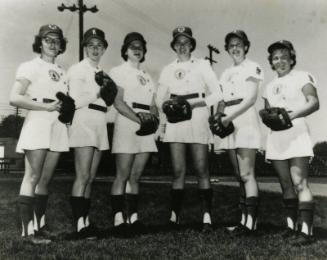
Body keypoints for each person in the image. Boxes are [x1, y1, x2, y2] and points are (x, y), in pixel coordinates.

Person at [156, 26, 222, 231]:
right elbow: (159, 98)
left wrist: (195, 104)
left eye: (186, 42)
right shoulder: (167, 69)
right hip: (176, 119)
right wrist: (166, 111)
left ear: (192, 45)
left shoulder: (202, 65)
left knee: (202, 168)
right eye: (178, 43)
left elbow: (217, 94)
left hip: (198, 115)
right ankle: (174, 217)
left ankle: (207, 218)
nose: (182, 46)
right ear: (174, 46)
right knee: (178, 171)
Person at [9, 24, 69, 244]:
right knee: (32, 176)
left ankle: (40, 227)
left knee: (45, 179)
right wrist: (46, 108)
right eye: (48, 39)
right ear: (40, 42)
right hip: (39, 119)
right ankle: (27, 232)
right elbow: (14, 97)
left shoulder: (63, 71)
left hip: (58, 123)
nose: (53, 44)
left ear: (62, 45)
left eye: (57, 40)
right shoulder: (30, 66)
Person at [262, 40, 319, 245]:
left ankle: (306, 231)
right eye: (275, 58)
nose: (280, 61)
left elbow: (314, 102)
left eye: (284, 56)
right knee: (285, 184)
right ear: (271, 61)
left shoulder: (302, 76)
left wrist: (291, 115)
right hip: (277, 136)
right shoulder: (268, 87)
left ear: (291, 58)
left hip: (296, 132)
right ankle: (290, 226)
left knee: (299, 182)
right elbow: (268, 112)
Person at [215, 30, 264, 235]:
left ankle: (250, 223)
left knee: (247, 173)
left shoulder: (253, 67)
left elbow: (251, 98)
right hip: (228, 122)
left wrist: (227, 117)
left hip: (244, 119)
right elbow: (221, 100)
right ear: (227, 49)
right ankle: (244, 220)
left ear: (245, 46)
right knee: (238, 175)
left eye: (239, 44)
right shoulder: (225, 72)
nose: (235, 48)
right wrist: (218, 118)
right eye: (231, 45)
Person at [109, 32, 158, 235]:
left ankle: (134, 217)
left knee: (136, 176)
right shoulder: (118, 71)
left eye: (140, 46)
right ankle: (119, 219)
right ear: (125, 50)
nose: (137, 49)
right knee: (122, 174)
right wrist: (140, 120)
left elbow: (154, 105)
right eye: (132, 46)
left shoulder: (148, 76)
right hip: (128, 122)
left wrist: (153, 120)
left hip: (146, 126)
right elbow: (118, 103)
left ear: (144, 51)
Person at [68, 28, 110, 238]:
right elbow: (74, 102)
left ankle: (85, 221)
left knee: (91, 177)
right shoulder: (77, 70)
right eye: (91, 45)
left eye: (99, 45)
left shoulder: (103, 72)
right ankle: (78, 226)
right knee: (83, 175)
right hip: (83, 119)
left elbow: (106, 102)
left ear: (103, 49)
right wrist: (98, 92)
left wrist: (105, 98)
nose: (95, 49)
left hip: (100, 121)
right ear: (85, 47)